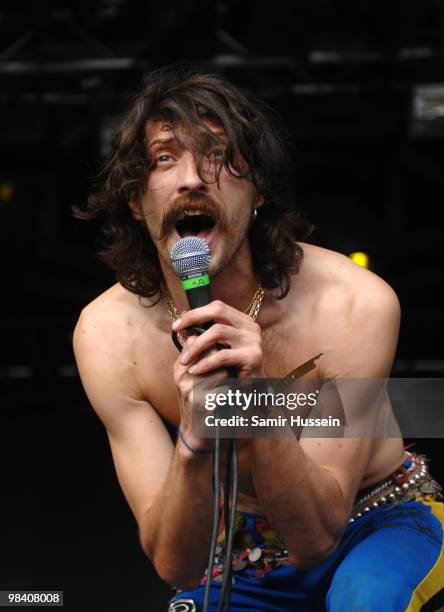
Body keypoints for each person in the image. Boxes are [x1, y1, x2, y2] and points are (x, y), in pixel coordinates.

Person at [73, 66, 444, 611]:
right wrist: (196, 441)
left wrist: (252, 405)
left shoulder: (354, 303)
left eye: (220, 157)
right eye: (164, 158)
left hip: (377, 519)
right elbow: (177, 565)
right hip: (243, 549)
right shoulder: (107, 335)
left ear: (259, 192)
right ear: (136, 200)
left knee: (365, 601)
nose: (193, 179)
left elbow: (317, 536)